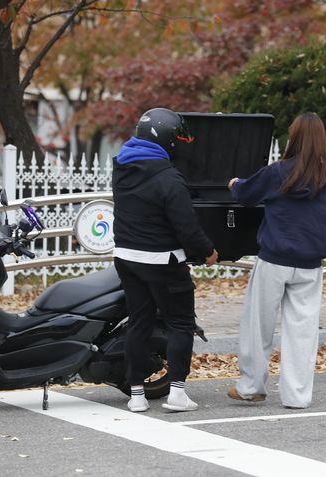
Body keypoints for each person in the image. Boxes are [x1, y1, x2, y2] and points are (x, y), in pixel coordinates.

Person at [226, 112, 326, 409]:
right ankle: (297, 396)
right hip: (310, 266)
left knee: (258, 326)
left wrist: (234, 183)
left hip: (273, 260)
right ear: (322, 140)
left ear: (293, 138)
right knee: (302, 333)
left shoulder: (279, 172)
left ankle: (251, 386)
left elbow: (246, 194)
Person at [112, 107, 219, 413]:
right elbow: (187, 228)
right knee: (180, 324)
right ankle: (176, 394)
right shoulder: (169, 178)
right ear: (169, 140)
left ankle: (136, 396)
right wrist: (207, 252)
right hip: (162, 261)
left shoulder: (121, 168)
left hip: (126, 257)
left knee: (139, 323)